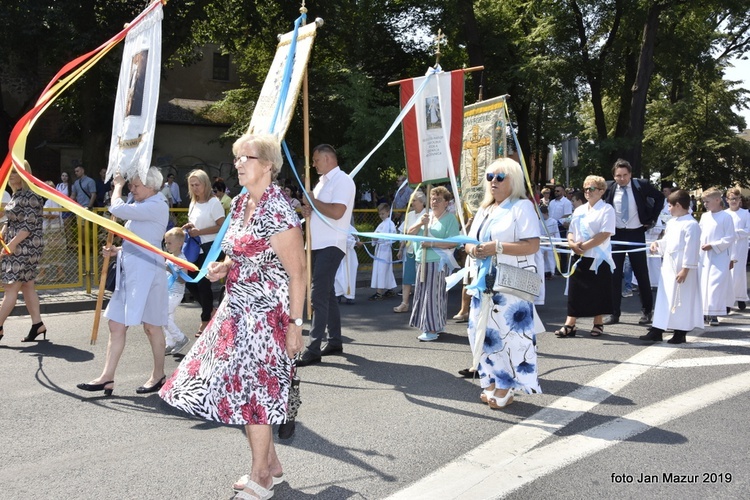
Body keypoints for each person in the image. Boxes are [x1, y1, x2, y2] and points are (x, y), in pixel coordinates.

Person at [160, 133, 305, 500]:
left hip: (265, 316)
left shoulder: (279, 210)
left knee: (253, 391)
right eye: (236, 158)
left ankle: (262, 477)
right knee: (234, 384)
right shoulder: (242, 202)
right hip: (236, 310)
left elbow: (298, 273)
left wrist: (295, 325)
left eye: (246, 158)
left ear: (268, 164)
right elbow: (241, 253)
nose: (238, 164)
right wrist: (224, 267)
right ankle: (270, 464)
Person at [76, 167, 169, 395]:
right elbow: (138, 239)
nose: (132, 189)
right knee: (116, 324)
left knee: (151, 327)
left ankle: (158, 375)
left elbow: (116, 208)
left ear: (152, 187)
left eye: (136, 186)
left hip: (149, 272)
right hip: (130, 269)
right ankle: (106, 377)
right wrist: (117, 250)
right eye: (130, 185)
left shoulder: (157, 204)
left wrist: (116, 185)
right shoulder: (140, 203)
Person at [464, 158, 543, 409]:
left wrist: (496, 247)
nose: (493, 182)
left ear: (514, 180)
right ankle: (488, 379)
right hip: (483, 282)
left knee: (507, 335)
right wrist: (472, 249)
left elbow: (532, 244)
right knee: (480, 331)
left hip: (510, 284)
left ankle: (506, 384)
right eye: (490, 177)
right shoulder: (484, 209)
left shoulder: (522, 207)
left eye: (500, 177)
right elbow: (468, 240)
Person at [297, 144, 356, 366]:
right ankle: (335, 340)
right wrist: (309, 209)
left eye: (315, 160)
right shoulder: (322, 183)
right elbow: (321, 209)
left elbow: (337, 211)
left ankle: (313, 348)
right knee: (327, 294)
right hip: (317, 243)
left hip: (332, 243)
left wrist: (312, 202)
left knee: (318, 295)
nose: (313, 164)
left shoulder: (343, 180)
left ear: (327, 158)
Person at [602, 159, 664, 325]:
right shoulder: (610, 188)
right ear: (613, 176)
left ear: (630, 174)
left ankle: (647, 311)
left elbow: (659, 198)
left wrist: (651, 219)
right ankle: (614, 313)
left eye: (625, 175)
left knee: (641, 273)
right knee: (614, 275)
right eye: (618, 176)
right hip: (616, 235)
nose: (621, 179)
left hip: (636, 233)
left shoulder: (641, 185)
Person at [556, 175, 616, 338]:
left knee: (598, 290)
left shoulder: (607, 210)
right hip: (579, 255)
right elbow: (571, 231)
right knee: (575, 290)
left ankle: (598, 323)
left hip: (598, 257)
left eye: (591, 188)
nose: (587, 192)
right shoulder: (580, 210)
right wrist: (571, 243)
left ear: (602, 191)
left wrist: (584, 247)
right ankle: (570, 324)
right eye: (585, 188)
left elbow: (604, 233)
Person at [640, 190, 702, 344]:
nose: (668, 209)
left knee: (681, 299)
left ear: (678, 205)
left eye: (669, 205)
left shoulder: (691, 224)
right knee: (665, 297)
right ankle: (658, 329)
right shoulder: (672, 222)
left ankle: (680, 332)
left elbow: (691, 248)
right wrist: (657, 244)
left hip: (682, 266)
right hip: (669, 265)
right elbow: (667, 240)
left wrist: (685, 269)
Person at [0, 163, 47, 343]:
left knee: (11, 286)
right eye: (9, 172)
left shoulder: (32, 195)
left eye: (14, 172)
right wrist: (4, 230)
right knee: (27, 285)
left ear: (24, 173)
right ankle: (38, 325)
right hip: (17, 245)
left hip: (25, 247)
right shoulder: (17, 194)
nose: (10, 175)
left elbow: (27, 226)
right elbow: (13, 220)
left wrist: (10, 245)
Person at [407, 185, 460, 342]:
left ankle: (431, 329)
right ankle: (437, 324)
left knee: (433, 295)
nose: (434, 202)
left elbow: (453, 243)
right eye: (432, 199)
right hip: (421, 260)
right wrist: (419, 224)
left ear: (446, 202)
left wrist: (431, 244)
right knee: (423, 294)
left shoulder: (450, 219)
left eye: (438, 199)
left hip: (437, 262)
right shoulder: (426, 216)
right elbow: (410, 233)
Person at [182, 169, 226, 336]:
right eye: (191, 185)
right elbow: (194, 222)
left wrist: (199, 232)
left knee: (202, 284)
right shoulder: (193, 203)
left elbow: (222, 226)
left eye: (197, 184)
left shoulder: (214, 203)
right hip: (195, 248)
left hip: (210, 248)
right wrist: (189, 227)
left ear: (205, 184)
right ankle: (211, 311)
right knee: (190, 282)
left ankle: (205, 320)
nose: (194, 188)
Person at [699, 187, 735, 326]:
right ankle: (703, 311)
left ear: (717, 200)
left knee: (715, 284)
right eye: (704, 202)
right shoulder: (704, 216)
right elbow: (700, 233)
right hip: (704, 256)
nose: (705, 204)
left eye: (707, 201)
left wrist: (713, 245)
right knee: (704, 283)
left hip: (719, 256)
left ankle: (714, 313)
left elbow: (730, 237)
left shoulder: (726, 217)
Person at [394, 190, 426, 313]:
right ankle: (404, 303)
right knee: (407, 278)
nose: (412, 203)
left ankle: (421, 304)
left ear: (422, 202)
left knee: (421, 278)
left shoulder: (427, 214)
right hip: (410, 250)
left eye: (414, 200)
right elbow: (405, 233)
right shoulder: (409, 215)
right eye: (411, 200)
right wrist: (401, 248)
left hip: (422, 251)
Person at [163, 227, 190, 356]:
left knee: (162, 316)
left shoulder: (182, 259)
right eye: (166, 243)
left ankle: (181, 338)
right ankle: (170, 342)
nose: (167, 245)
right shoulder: (171, 257)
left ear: (179, 243)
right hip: (168, 292)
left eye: (169, 243)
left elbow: (184, 279)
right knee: (168, 317)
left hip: (175, 293)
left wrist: (171, 270)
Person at [724, 187, 750, 311]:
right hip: (728, 247)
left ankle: (740, 297)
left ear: (740, 200)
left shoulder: (745, 214)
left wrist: (735, 233)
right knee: (728, 274)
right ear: (727, 200)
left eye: (736, 198)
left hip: (740, 246)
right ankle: (727, 301)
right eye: (731, 199)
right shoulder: (725, 214)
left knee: (738, 273)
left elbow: (748, 230)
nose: (734, 201)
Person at [368, 203, 397, 300]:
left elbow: (393, 237)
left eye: (383, 214)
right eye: (380, 214)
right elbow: (375, 236)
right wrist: (375, 238)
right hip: (380, 249)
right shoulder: (382, 224)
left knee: (382, 270)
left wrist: (384, 239)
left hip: (385, 249)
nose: (381, 216)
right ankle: (390, 289)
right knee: (384, 269)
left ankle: (379, 292)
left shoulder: (390, 224)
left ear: (388, 212)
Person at [335, 225, 359, 305]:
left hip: (350, 253)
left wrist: (356, 240)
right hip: (340, 252)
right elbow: (341, 239)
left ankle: (349, 296)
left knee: (350, 274)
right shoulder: (337, 224)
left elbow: (356, 237)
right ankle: (338, 293)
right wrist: (355, 242)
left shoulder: (351, 227)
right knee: (338, 274)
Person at [539, 205, 560, 280]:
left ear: (546, 213)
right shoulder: (539, 221)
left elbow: (556, 232)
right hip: (542, 241)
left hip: (551, 240)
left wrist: (558, 242)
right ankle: (544, 271)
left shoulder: (553, 221)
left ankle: (551, 271)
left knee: (550, 256)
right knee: (542, 256)